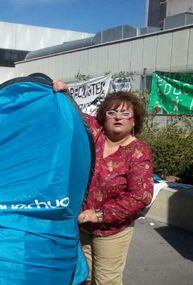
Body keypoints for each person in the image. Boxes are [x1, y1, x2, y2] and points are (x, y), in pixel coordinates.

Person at [54, 81, 154, 285]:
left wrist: (98, 214)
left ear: (134, 121)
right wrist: (65, 93)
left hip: (112, 231)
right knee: (85, 276)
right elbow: (76, 115)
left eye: (126, 114)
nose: (118, 117)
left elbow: (140, 197)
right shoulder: (95, 135)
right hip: (82, 226)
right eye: (112, 113)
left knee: (106, 280)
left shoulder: (138, 152)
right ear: (103, 117)